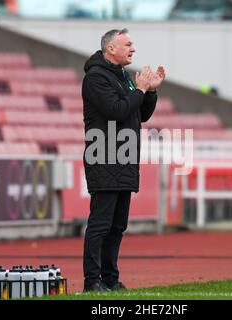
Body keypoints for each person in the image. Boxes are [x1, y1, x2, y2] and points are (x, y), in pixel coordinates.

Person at [81, 28, 166, 292]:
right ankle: (92, 281)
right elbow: (117, 111)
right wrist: (139, 89)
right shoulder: (95, 78)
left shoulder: (123, 76)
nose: (133, 49)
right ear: (111, 49)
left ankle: (110, 279)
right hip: (104, 155)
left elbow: (139, 115)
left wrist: (149, 92)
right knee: (100, 224)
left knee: (117, 225)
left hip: (125, 156)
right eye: (128, 44)